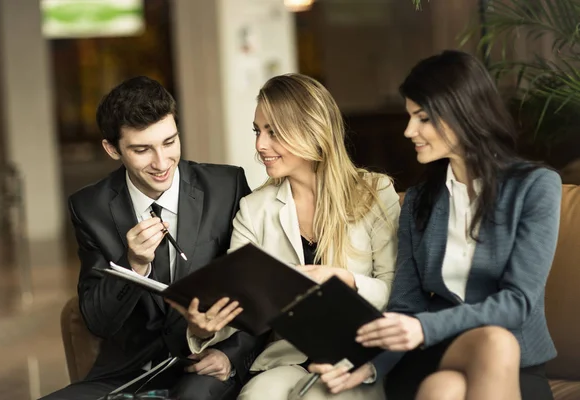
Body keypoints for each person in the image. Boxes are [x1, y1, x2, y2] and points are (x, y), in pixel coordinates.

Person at [311, 50, 562, 400]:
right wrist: (370, 367)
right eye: (410, 116)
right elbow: (405, 306)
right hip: (433, 351)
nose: (409, 130)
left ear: (463, 113)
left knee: (455, 380)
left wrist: (423, 327)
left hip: (512, 358)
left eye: (423, 118)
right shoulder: (419, 200)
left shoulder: (534, 187)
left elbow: (518, 301)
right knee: (452, 373)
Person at [176, 73, 400, 400]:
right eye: (257, 131)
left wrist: (345, 279)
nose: (259, 145)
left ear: (312, 130)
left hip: (359, 357)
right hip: (286, 359)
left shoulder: (375, 193)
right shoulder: (254, 210)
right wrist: (203, 327)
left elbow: (397, 291)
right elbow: (241, 306)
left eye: (273, 132)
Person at [41, 76, 263, 400]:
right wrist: (132, 265)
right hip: (131, 369)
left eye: (170, 142)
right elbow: (97, 319)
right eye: (142, 150)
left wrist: (231, 354)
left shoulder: (226, 186)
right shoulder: (90, 207)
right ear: (112, 148)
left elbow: (257, 287)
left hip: (208, 362)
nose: (162, 163)